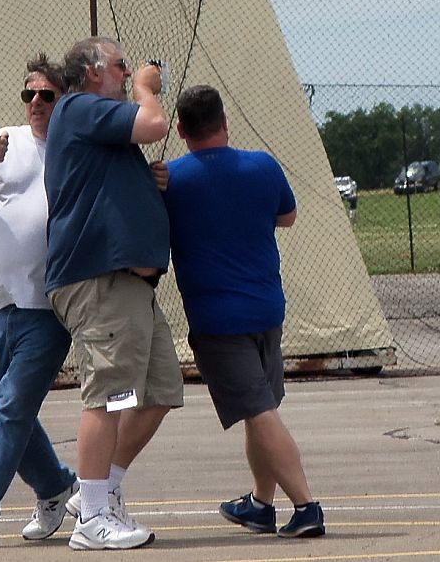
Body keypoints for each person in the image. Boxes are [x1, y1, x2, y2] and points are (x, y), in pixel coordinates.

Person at [162, 85, 325, 539]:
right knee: (261, 408)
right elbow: (287, 216)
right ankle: (261, 503)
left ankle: (306, 506)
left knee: (260, 412)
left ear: (181, 130)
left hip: (218, 319)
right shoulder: (263, 166)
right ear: (224, 122)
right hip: (267, 309)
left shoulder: (171, 179)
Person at [44, 37, 184, 551]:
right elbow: (154, 124)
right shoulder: (79, 107)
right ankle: (92, 518)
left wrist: (146, 180)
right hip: (100, 281)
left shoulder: (98, 125)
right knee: (106, 396)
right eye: (122, 66)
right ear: (93, 71)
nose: (128, 74)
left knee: (160, 389)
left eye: (131, 71)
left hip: (133, 287)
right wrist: (148, 88)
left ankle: (103, 490)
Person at [0, 54, 78, 551]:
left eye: (47, 95)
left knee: (13, 408)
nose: (36, 103)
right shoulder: (3, 141)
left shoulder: (74, 149)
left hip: (49, 309)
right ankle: (55, 485)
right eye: (30, 94)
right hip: (1, 305)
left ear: (63, 100)